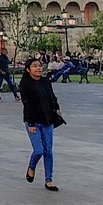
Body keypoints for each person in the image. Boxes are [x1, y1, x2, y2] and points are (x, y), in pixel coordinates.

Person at [20, 58, 62, 191]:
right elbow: (27, 103)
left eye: (39, 66)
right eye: (34, 66)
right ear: (28, 69)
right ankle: (31, 167)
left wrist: (56, 107)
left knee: (48, 151)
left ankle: (48, 180)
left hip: (47, 119)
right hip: (33, 121)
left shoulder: (45, 82)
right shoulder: (25, 84)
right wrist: (31, 122)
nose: (38, 68)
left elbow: (52, 96)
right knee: (39, 150)